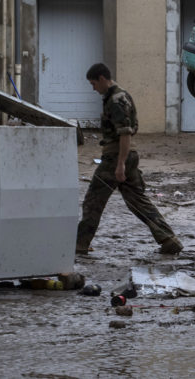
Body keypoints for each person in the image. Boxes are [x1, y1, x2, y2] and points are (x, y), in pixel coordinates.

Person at [75, 63, 182, 256]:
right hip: (126, 156)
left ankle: (80, 244)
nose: (93, 88)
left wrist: (120, 164)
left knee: (93, 201)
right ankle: (168, 239)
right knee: (138, 202)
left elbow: (125, 134)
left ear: (102, 79)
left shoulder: (116, 100)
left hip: (116, 157)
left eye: (93, 83)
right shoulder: (119, 96)